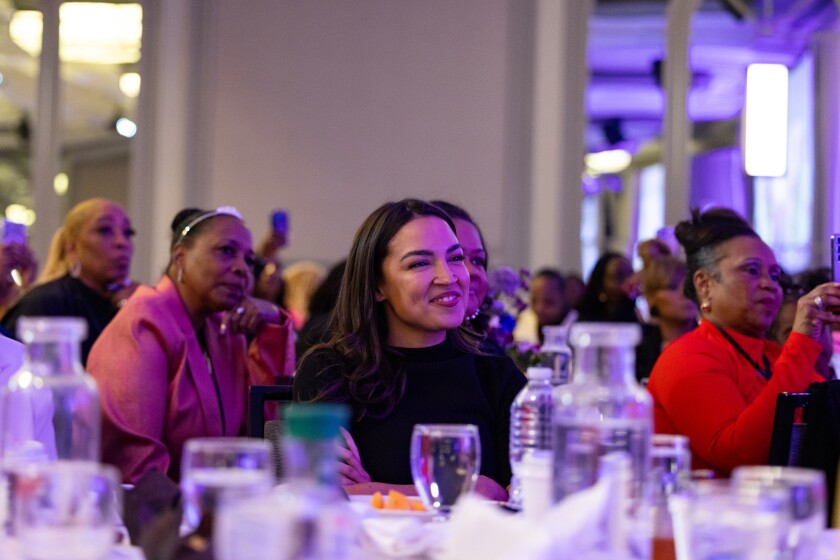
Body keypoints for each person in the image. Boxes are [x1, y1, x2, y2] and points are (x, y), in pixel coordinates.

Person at [293, 199, 525, 500]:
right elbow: (320, 497)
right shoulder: (330, 372)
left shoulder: (495, 375)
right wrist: (471, 490)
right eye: (420, 263)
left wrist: (373, 490)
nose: (449, 277)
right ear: (377, 285)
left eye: (455, 258)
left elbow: (523, 494)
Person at [87, 206, 295, 483]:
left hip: (214, 499)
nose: (242, 269)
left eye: (249, 260)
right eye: (226, 251)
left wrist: (272, 322)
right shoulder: (142, 324)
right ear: (180, 256)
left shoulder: (223, 330)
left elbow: (264, 431)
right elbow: (135, 469)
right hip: (156, 506)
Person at [646, 208, 840, 477]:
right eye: (751, 270)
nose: (770, 285)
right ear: (704, 284)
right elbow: (740, 455)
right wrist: (803, 339)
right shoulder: (686, 356)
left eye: (775, 275)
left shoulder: (769, 356)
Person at [1, 199, 138, 364]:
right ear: (71, 246)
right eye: (104, 230)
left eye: (128, 233)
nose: (122, 242)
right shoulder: (48, 302)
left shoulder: (125, 302)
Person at [635, 256, 697, 383]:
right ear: (651, 297)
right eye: (672, 287)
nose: (685, 294)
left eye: (688, 286)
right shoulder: (639, 351)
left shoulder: (717, 345)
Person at [576, 252, 637, 323]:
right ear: (600, 287)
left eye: (630, 274)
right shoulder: (584, 322)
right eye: (619, 276)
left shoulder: (639, 317)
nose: (629, 281)